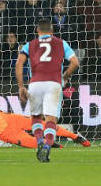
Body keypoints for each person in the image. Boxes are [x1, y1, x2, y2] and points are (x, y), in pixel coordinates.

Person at [15, 18, 79, 162]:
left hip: (35, 83)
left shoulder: (29, 44)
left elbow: (19, 63)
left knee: (37, 118)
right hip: (54, 83)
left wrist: (21, 86)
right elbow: (75, 62)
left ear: (38, 30)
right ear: (52, 31)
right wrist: (65, 77)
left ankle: (39, 142)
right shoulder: (61, 43)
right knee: (51, 119)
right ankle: (48, 146)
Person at [0, 92, 90, 148]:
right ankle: (54, 146)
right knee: (35, 144)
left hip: (12, 119)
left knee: (42, 125)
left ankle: (75, 137)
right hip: (6, 134)